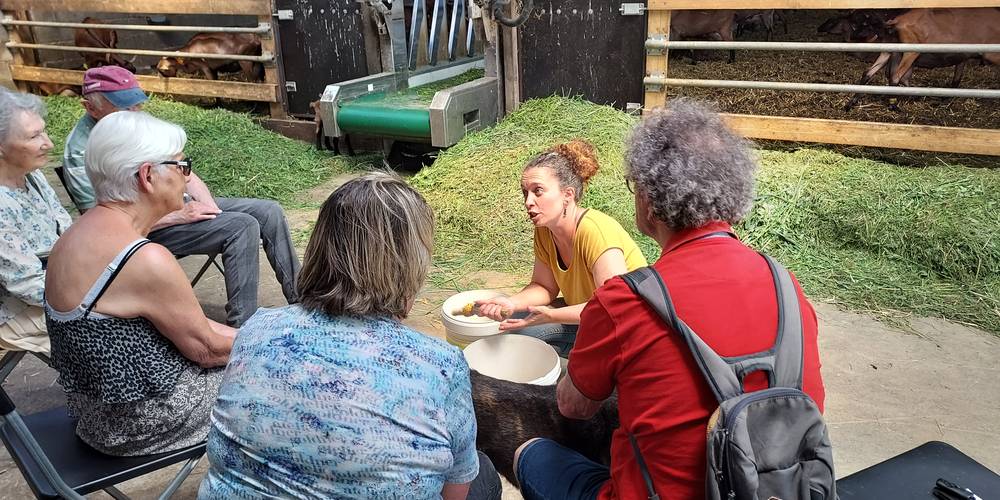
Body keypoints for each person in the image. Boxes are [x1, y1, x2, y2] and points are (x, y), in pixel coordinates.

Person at [513, 100, 827, 499]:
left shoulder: (626, 299)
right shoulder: (789, 287)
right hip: (777, 489)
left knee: (531, 452)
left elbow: (573, 406)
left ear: (647, 199)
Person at [199, 172, 501, 500]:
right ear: (408, 264)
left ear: (318, 247)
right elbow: (454, 492)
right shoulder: (440, 364)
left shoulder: (255, 329)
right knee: (482, 472)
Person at [44, 111, 236, 456]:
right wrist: (276, 343)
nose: (186, 176)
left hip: (97, 414)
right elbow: (208, 351)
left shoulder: (74, 236)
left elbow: (192, 326)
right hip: (144, 422)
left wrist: (263, 330)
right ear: (148, 175)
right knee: (288, 375)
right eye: (182, 166)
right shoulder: (142, 258)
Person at [63, 65, 299, 327]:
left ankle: (303, 302)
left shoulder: (132, 123)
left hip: (173, 203)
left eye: (136, 104)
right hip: (144, 226)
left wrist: (208, 206)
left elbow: (183, 171)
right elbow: (101, 225)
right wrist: (179, 216)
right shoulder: (80, 152)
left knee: (269, 211)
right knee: (241, 227)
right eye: (123, 106)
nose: (134, 112)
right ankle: (243, 327)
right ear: (90, 108)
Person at [476, 140, 647, 356]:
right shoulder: (544, 231)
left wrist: (551, 316)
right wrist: (510, 303)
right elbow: (544, 286)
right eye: (525, 193)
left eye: (538, 191)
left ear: (568, 195)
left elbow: (613, 307)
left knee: (521, 337)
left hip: (622, 328)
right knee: (509, 323)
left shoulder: (595, 231)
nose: (528, 201)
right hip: (585, 314)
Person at [0, 87, 71, 354]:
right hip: (19, 309)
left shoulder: (31, 174)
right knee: (117, 322)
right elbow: (26, 285)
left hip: (59, 281)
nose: (49, 143)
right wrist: (94, 295)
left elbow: (65, 231)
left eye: (43, 131)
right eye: (34, 136)